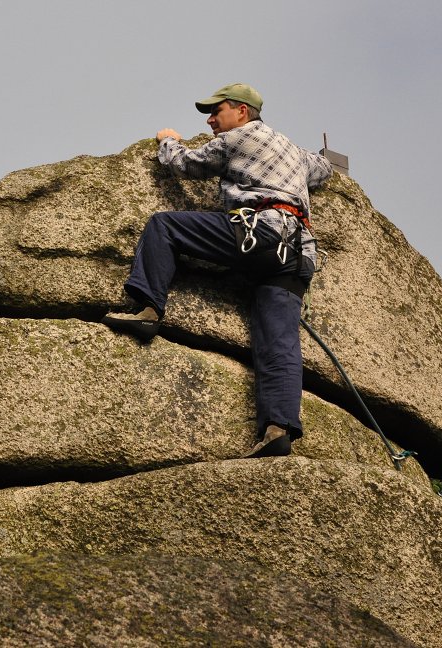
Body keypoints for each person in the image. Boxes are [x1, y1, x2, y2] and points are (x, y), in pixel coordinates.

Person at [101, 83, 332, 458]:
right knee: (279, 343)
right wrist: (327, 159)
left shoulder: (238, 136)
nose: (210, 120)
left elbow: (185, 164)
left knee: (164, 226)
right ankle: (278, 429)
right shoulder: (294, 151)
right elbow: (323, 170)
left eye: (216, 111)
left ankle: (147, 310)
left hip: (261, 231)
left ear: (242, 111)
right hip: (297, 253)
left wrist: (168, 140)